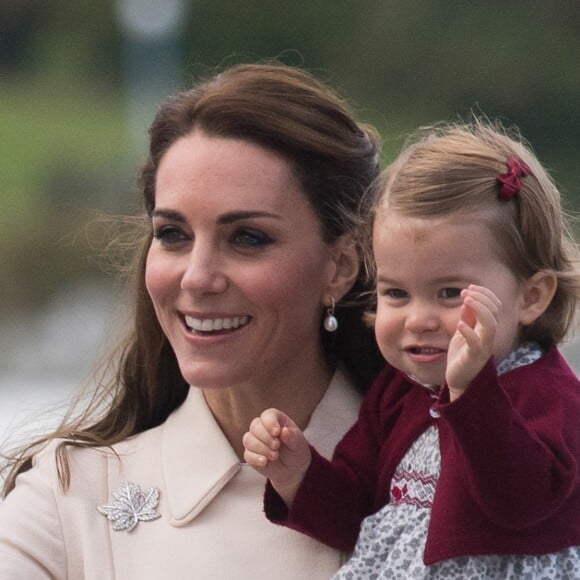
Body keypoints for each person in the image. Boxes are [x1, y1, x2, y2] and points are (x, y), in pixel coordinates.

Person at [0, 62, 385, 579]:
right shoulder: (64, 505)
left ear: (340, 266)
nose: (198, 278)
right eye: (173, 235)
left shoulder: (454, 478)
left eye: (247, 238)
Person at [243, 118, 580, 578]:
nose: (418, 319)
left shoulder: (548, 394)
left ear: (531, 296)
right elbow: (355, 514)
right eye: (396, 294)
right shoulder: (399, 394)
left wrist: (471, 392)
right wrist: (297, 474)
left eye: (449, 293)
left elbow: (520, 500)